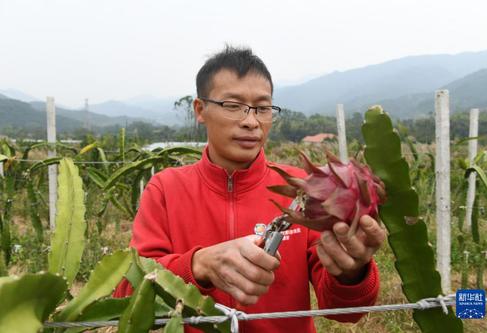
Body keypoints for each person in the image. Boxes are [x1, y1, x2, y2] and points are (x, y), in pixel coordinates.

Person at [114, 46, 385, 332]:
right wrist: (198, 266)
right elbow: (126, 293)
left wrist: (353, 272)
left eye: (262, 108)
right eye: (233, 105)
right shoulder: (166, 189)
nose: (251, 121)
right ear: (200, 110)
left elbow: (345, 312)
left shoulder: (305, 192)